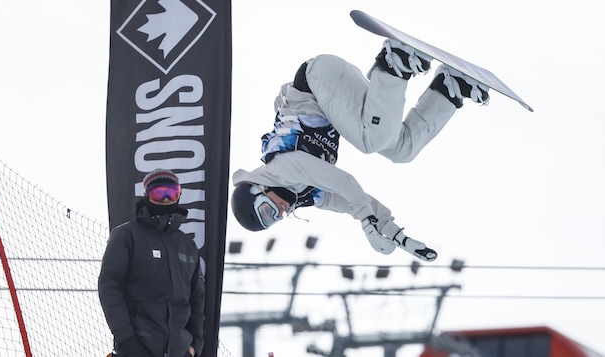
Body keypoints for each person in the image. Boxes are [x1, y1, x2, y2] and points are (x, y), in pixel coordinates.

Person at [230, 39, 490, 262]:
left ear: (259, 189)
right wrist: (397, 234)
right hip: (335, 95)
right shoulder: (308, 195)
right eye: (274, 220)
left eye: (267, 210)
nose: (280, 212)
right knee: (401, 150)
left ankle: (394, 62)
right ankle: (450, 87)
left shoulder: (280, 168)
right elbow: (355, 203)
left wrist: (367, 224)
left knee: (371, 140)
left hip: (318, 79)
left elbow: (344, 182)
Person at [98, 169, 205, 357]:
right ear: (147, 196)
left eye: (170, 193)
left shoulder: (187, 246)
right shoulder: (127, 236)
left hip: (179, 351)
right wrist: (126, 339)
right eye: (158, 194)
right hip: (138, 347)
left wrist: (194, 345)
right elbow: (110, 287)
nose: (165, 200)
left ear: (179, 195)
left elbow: (197, 299)